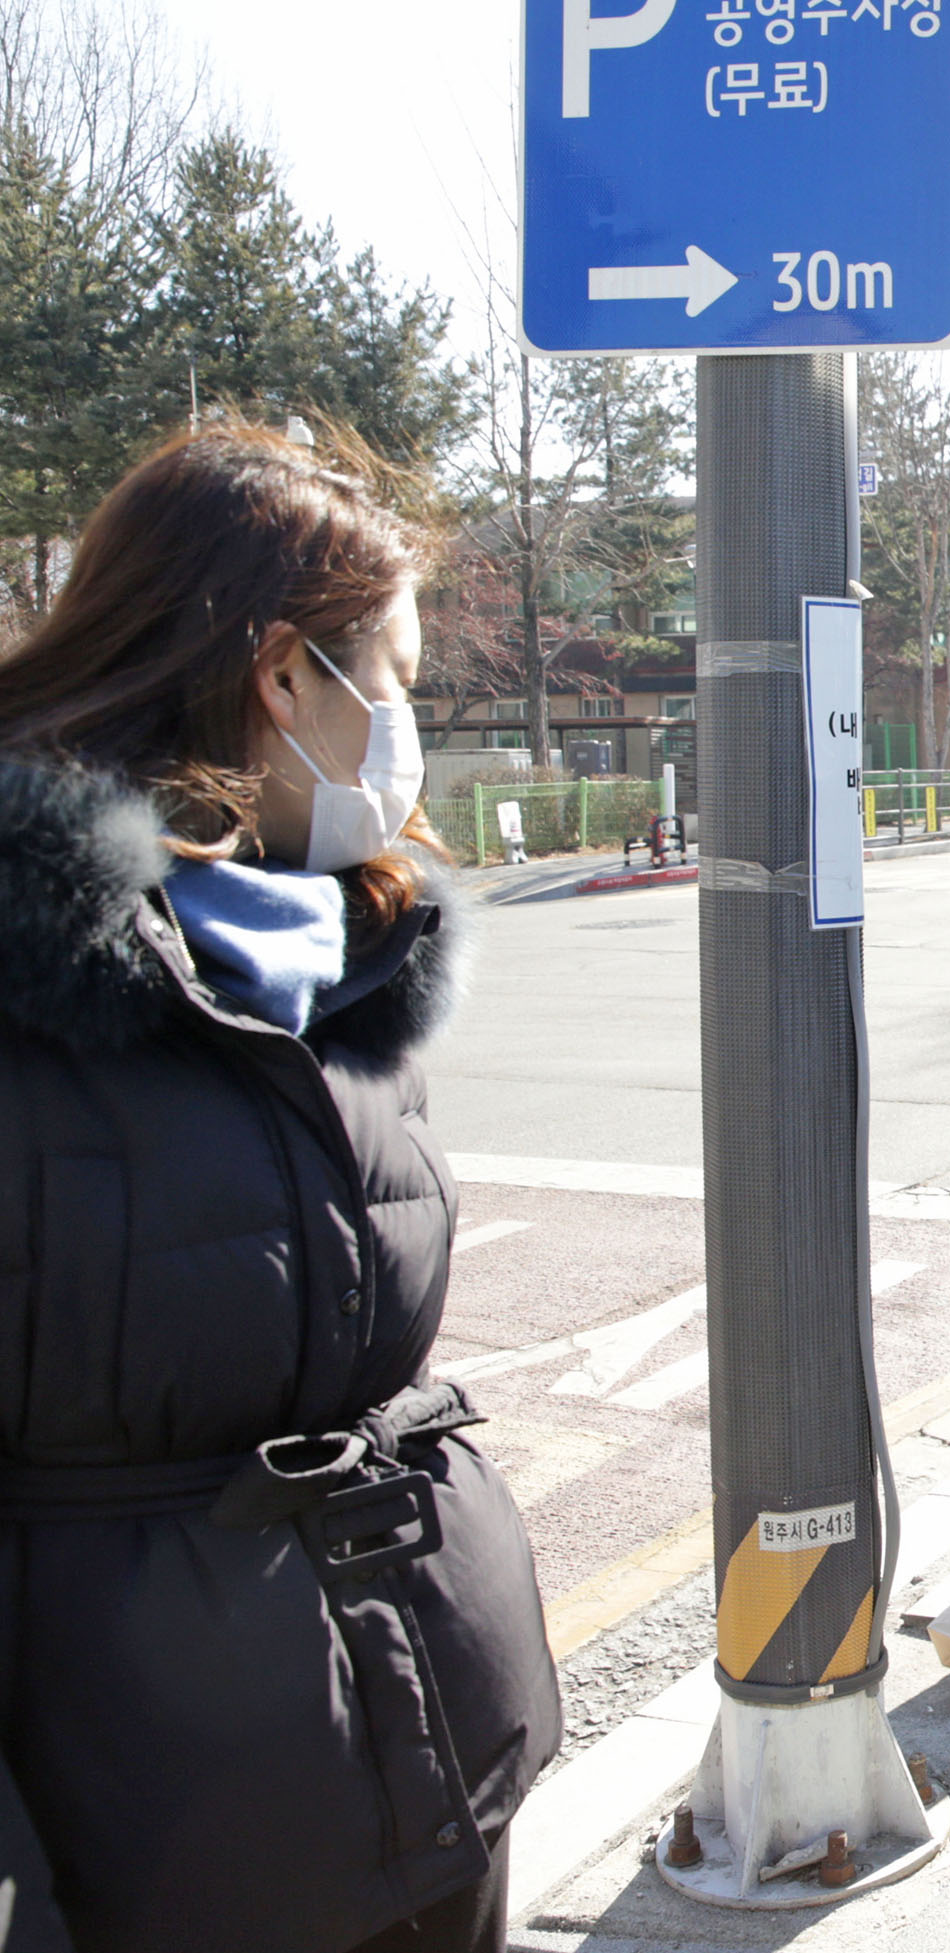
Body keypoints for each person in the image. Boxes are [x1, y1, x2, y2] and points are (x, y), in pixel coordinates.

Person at [0, 428, 561, 1953]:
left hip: (428, 1787)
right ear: (280, 676)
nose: (408, 725)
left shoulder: (344, 949)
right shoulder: (33, 979)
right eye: (393, 680)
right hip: (161, 1857)